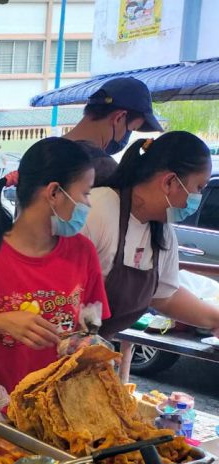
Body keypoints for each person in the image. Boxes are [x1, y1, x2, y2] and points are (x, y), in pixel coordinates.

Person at [0, 138, 110, 392]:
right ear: (53, 193)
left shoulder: (83, 252)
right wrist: (2, 322)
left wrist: (87, 344)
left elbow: (90, 322)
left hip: (57, 409)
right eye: (85, 193)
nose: (89, 204)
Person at [82, 131, 219, 338]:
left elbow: (166, 297)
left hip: (92, 349)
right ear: (170, 182)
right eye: (199, 187)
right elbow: (59, 289)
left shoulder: (162, 231)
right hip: (55, 347)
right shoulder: (96, 210)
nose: (198, 197)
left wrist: (216, 319)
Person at [63, 76, 162, 186]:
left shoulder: (45, 149)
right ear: (119, 118)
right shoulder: (103, 168)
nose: (127, 136)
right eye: (131, 129)